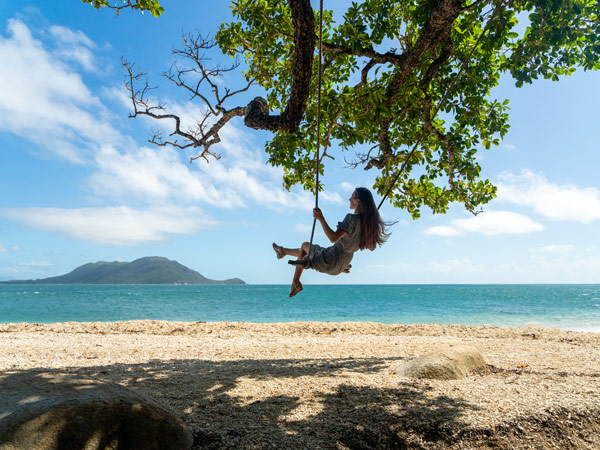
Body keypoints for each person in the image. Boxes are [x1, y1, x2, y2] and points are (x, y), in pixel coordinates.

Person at [273, 187, 391, 297]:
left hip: (330, 259)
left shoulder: (351, 219)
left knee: (305, 245)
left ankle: (295, 282)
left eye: (352, 196)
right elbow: (372, 247)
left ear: (357, 201)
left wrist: (321, 218)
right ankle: (283, 251)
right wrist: (359, 238)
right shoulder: (368, 225)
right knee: (303, 251)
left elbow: (333, 238)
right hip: (342, 264)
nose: (349, 199)